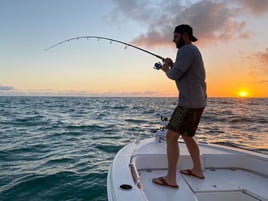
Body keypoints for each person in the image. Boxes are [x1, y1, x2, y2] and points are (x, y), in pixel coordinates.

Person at [152, 24, 207, 189]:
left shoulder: (186, 50)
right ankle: (198, 170)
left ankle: (170, 178)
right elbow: (183, 71)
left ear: (185, 36)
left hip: (187, 103)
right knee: (188, 136)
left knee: (170, 137)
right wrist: (172, 64)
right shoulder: (193, 51)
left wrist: (165, 68)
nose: (173, 40)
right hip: (198, 102)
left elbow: (174, 74)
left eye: (175, 37)